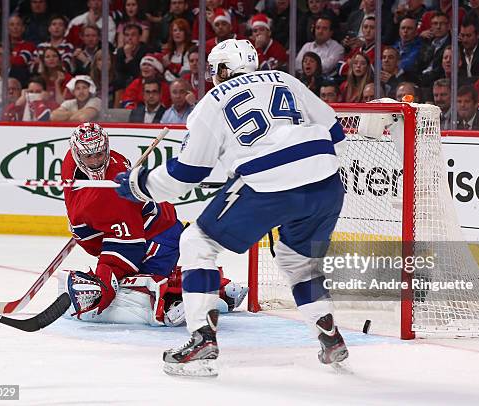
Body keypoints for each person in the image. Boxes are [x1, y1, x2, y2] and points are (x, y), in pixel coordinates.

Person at [114, 39, 349, 377]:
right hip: (326, 180)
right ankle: (330, 338)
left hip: (268, 182)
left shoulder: (213, 100)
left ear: (221, 70)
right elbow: (334, 130)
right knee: (299, 264)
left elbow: (186, 175)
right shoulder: (285, 79)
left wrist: (141, 185)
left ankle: (202, 339)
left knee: (197, 242)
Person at [60, 122, 247, 327]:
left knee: (139, 287)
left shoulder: (113, 196)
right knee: (134, 278)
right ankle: (222, 287)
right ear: (77, 154)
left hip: (157, 238)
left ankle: (184, 300)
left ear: (106, 148)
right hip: (146, 228)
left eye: (100, 154)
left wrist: (106, 275)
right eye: (89, 156)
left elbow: (129, 247)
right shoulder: (71, 163)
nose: (96, 161)